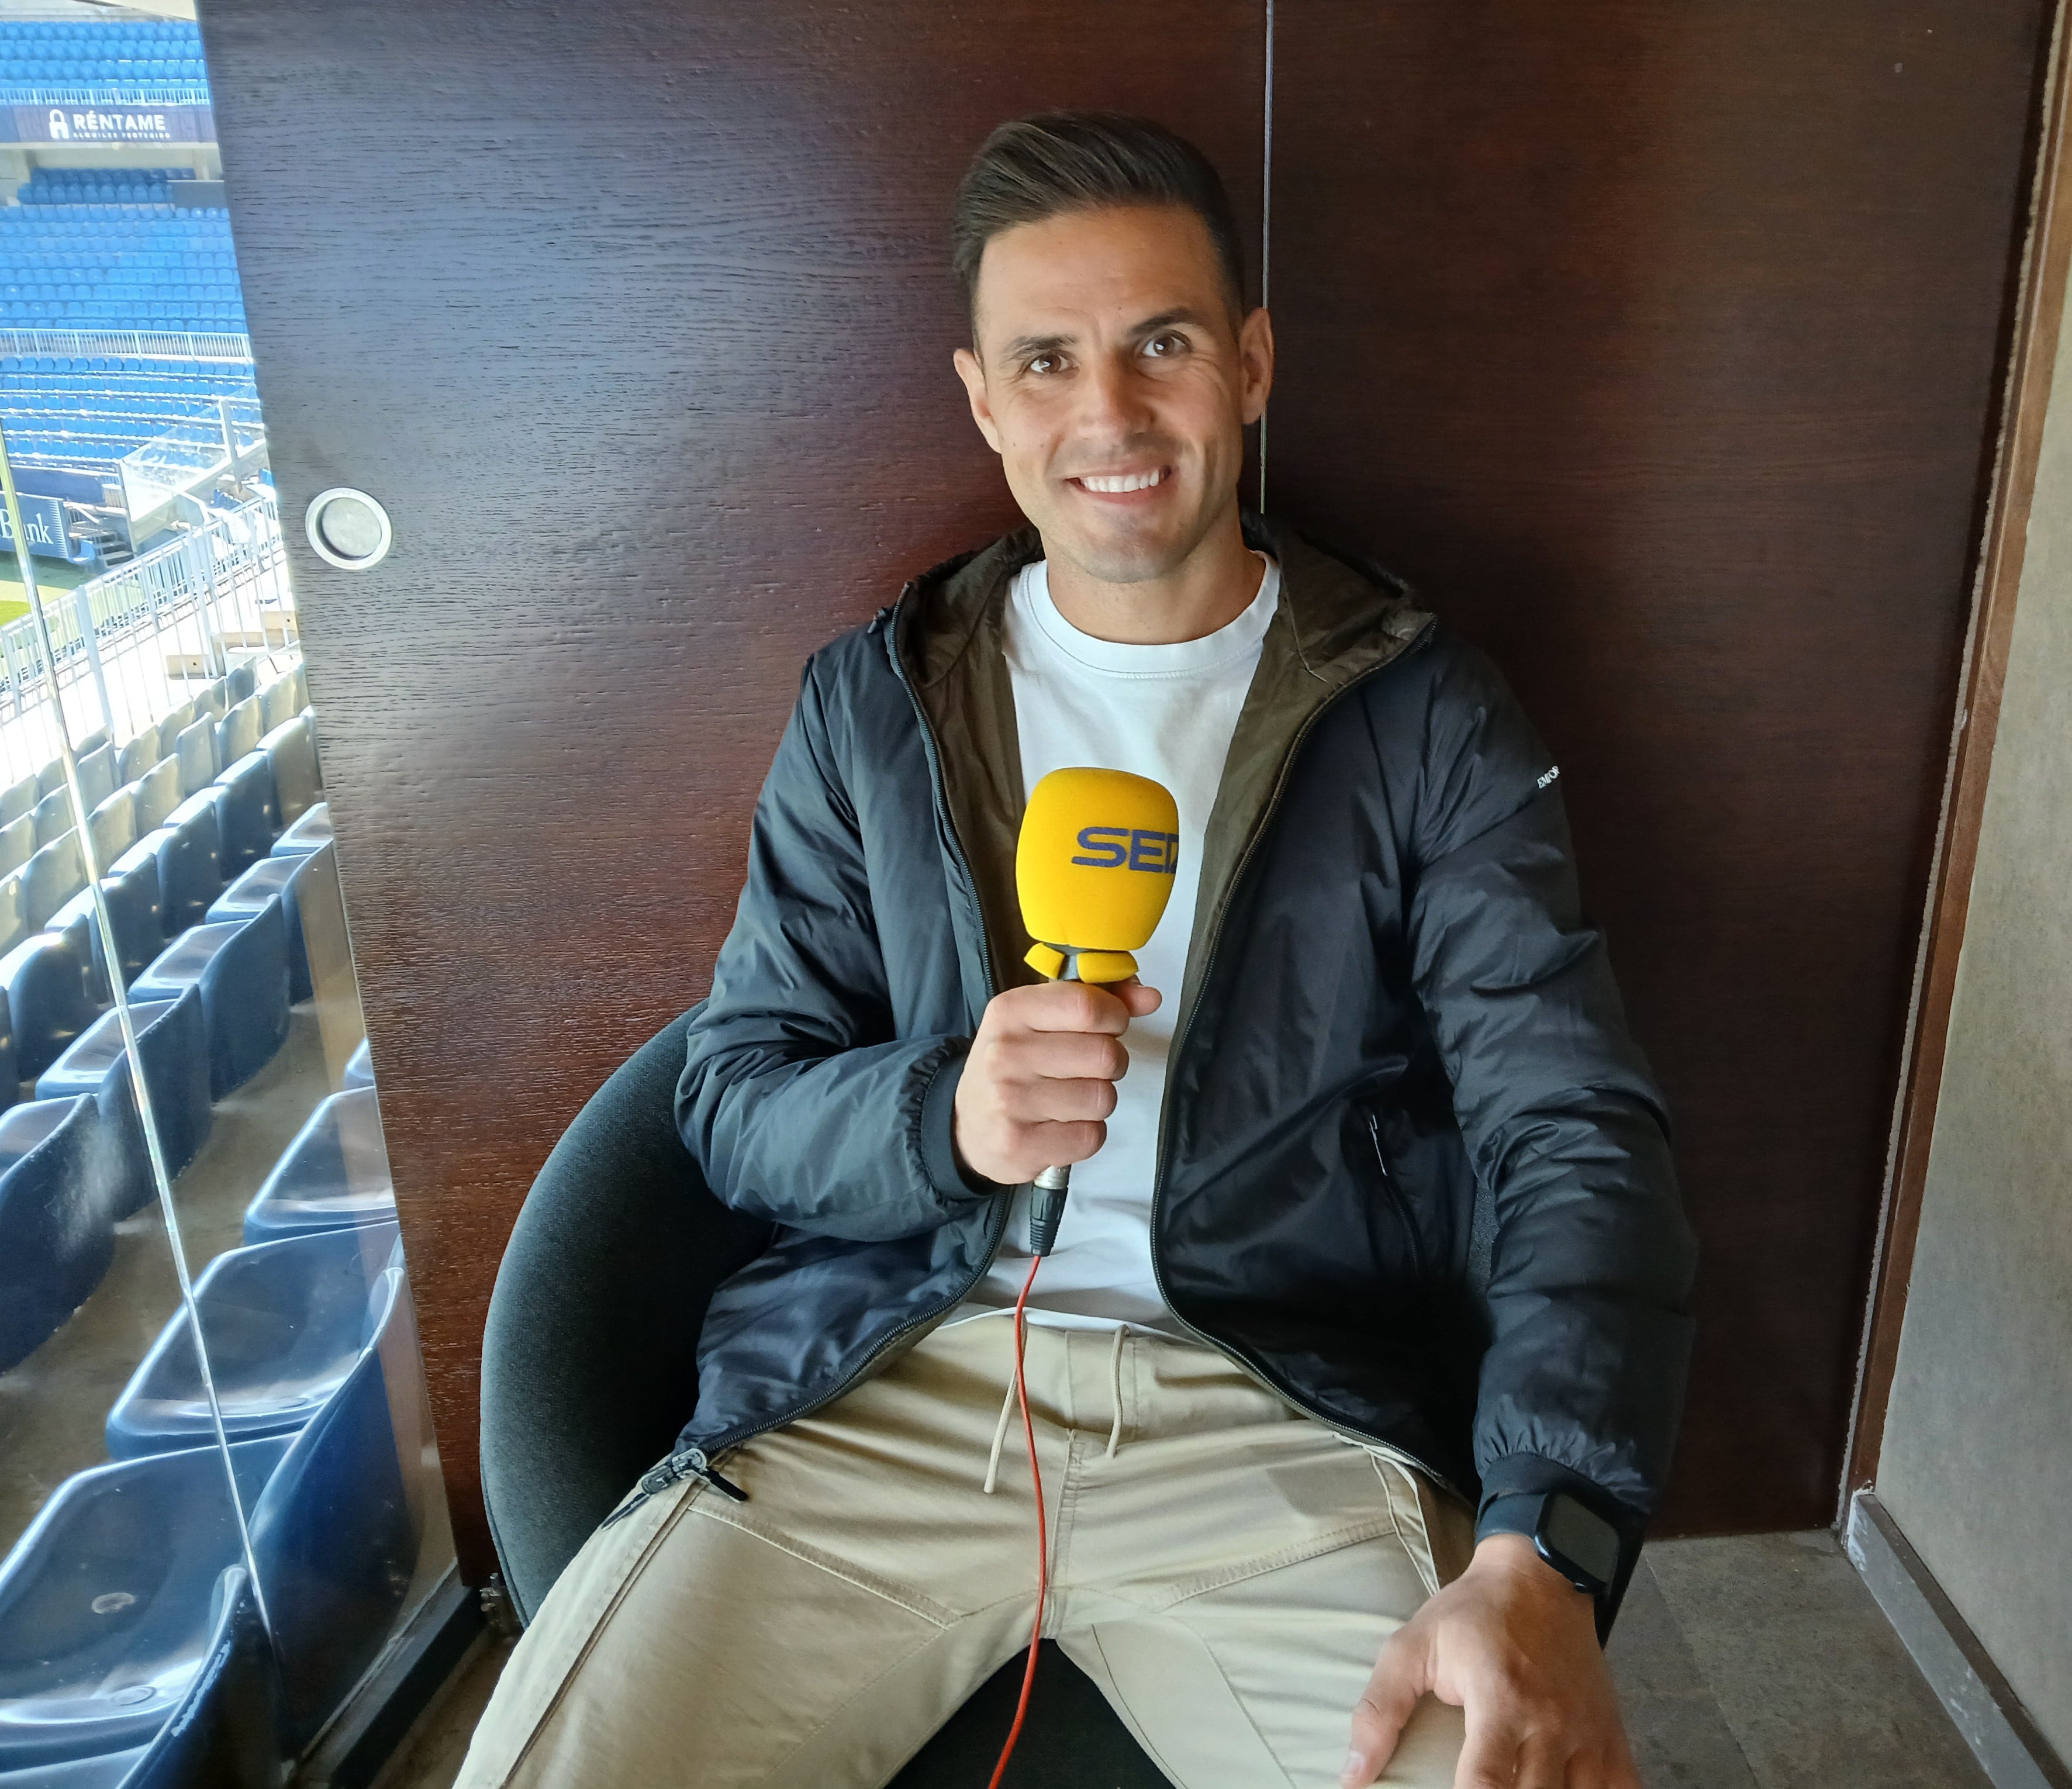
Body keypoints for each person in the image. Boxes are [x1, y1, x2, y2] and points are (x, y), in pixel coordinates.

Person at [458, 112, 1695, 1789]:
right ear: (982, 396)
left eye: (1161, 345)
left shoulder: (1422, 713)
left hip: (1276, 1410)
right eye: (1046, 361)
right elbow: (735, 1097)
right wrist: (942, 1120)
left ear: (1249, 366)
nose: (1107, 415)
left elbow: (1573, 1131)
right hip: (878, 1389)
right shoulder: (871, 704)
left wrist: (1546, 1539)